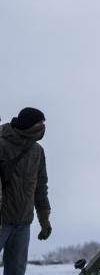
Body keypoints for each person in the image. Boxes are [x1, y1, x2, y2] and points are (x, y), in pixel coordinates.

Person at [0, 108, 52, 275]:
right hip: (2, 220)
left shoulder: (38, 151)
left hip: (23, 223)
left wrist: (44, 219)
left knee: (16, 272)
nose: (42, 127)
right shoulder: (2, 143)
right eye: (39, 124)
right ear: (28, 124)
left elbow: (40, 187)